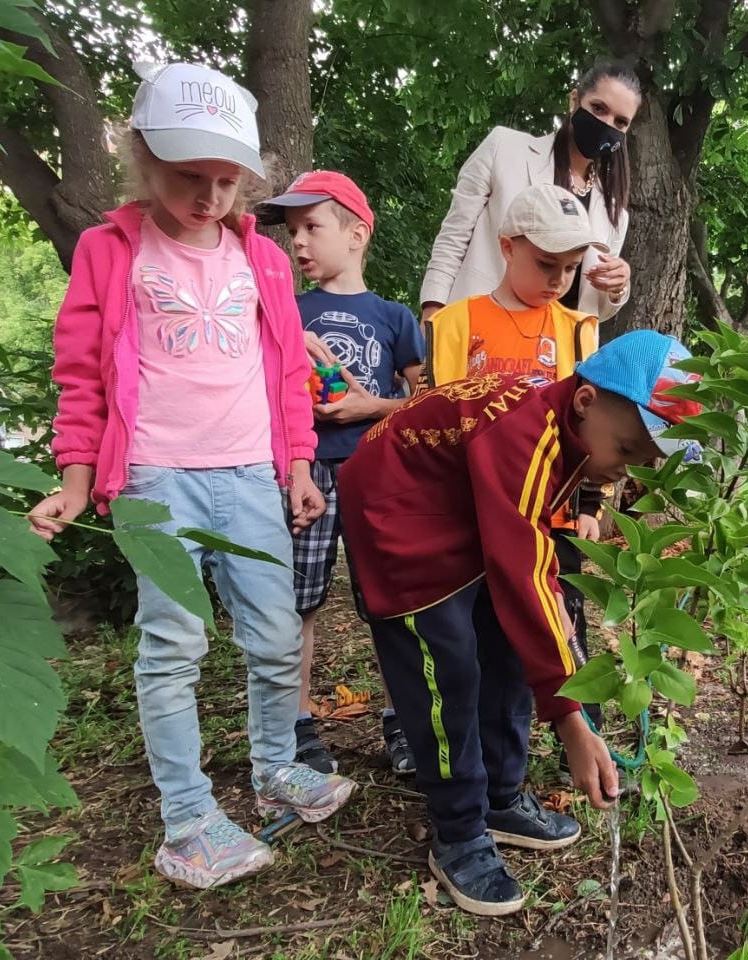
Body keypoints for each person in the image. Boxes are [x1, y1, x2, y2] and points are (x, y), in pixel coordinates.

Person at [26, 61, 354, 890]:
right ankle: (188, 819)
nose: (209, 198)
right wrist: (74, 480)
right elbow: (81, 375)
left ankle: (277, 764)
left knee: (278, 637)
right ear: (142, 157)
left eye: (225, 181)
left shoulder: (264, 263)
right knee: (173, 645)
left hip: (250, 474)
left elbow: (285, 376)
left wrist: (299, 465)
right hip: (155, 479)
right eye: (188, 178)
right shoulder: (111, 250)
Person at [337, 329, 704, 916]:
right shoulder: (524, 435)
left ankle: (500, 796)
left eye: (643, 461)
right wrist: (570, 719)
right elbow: (521, 575)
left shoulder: (564, 427)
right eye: (628, 448)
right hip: (397, 512)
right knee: (445, 666)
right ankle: (458, 830)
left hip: (458, 505)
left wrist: (550, 604)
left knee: (507, 646)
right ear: (586, 401)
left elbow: (531, 551)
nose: (622, 472)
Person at [425, 183, 609, 773]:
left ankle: (576, 734)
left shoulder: (581, 329)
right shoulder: (457, 323)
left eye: (570, 268)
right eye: (545, 264)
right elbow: (443, 418)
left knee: (558, 621)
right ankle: (478, 755)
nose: (558, 279)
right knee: (481, 638)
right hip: (479, 514)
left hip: (550, 513)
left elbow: (587, 424)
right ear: (507, 247)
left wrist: (589, 501)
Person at [254, 171, 425, 776]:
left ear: (357, 234)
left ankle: (402, 719)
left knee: (389, 600)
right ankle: (299, 724)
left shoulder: (393, 316)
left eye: (311, 227)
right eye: (291, 231)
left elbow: (426, 400)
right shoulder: (284, 311)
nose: (297, 243)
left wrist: (367, 408)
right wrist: (290, 337)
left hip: (375, 472)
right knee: (299, 601)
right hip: (304, 473)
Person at [419, 60, 642, 326]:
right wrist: (432, 314)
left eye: (620, 121)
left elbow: (594, 307)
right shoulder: (504, 148)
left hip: (557, 355)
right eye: (598, 108)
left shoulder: (613, 212)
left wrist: (617, 287)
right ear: (574, 101)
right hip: (476, 330)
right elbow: (453, 237)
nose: (606, 124)